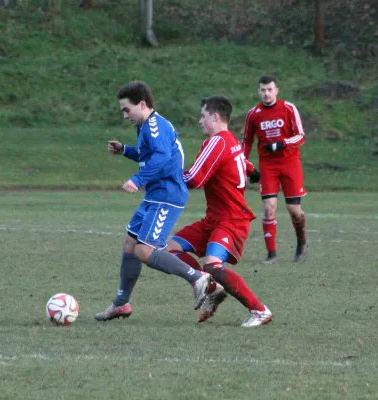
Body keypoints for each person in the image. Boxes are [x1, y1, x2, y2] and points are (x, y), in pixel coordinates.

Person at [94, 81, 212, 322]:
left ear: (142, 104)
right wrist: (125, 150)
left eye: (127, 109)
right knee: (130, 244)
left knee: (145, 250)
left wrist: (137, 180)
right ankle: (121, 303)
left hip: (167, 195)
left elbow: (162, 156)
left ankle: (197, 278)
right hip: (155, 195)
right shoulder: (146, 127)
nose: (125, 115)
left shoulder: (155, 126)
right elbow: (147, 153)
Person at [166, 95, 272, 327]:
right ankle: (212, 288)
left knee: (212, 265)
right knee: (169, 250)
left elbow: (194, 178)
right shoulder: (230, 140)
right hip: (214, 219)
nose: (199, 121)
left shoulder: (217, 142)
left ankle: (259, 310)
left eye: (203, 116)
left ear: (215, 117)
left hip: (231, 219)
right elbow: (247, 166)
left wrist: (166, 175)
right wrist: (255, 174)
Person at [242, 75, 307, 264]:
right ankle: (271, 255)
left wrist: (282, 144)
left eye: (270, 89)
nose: (266, 93)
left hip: (290, 164)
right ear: (258, 91)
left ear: (276, 91)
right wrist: (243, 164)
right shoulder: (253, 114)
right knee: (269, 207)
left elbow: (301, 136)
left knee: (294, 209)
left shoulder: (288, 108)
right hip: (268, 166)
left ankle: (301, 243)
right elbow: (247, 141)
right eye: (263, 90)